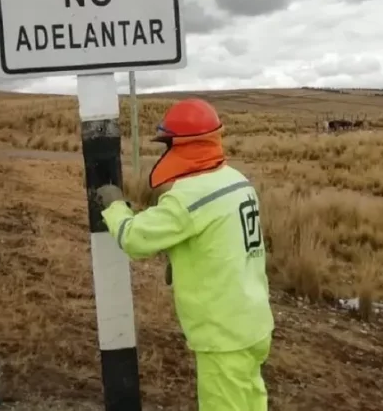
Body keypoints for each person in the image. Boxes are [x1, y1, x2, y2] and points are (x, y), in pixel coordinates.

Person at [94, 98, 274, 411]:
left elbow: (133, 238)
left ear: (183, 146)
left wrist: (114, 205)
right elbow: (221, 238)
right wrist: (183, 256)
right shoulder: (237, 180)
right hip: (254, 323)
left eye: (167, 144)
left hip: (223, 335)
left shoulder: (188, 198)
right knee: (251, 401)